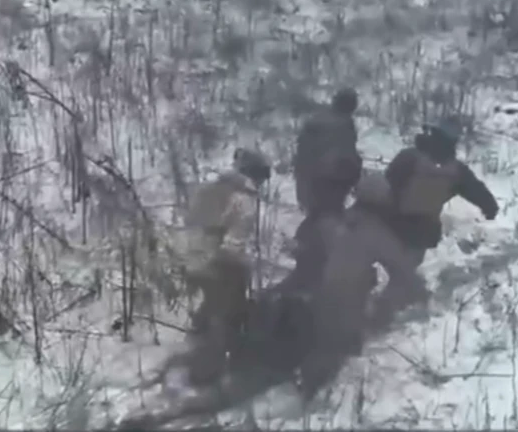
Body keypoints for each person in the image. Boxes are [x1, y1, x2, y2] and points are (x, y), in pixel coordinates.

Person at [300, 122, 499, 397]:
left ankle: (353, 320)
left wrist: (357, 213)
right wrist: (490, 207)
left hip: (388, 226)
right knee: (402, 280)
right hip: (418, 235)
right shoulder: (457, 171)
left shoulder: (409, 158)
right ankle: (379, 315)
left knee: (356, 277)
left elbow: (385, 188)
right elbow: (478, 192)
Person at [181, 148, 268, 386]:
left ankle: (194, 348)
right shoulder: (244, 199)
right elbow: (234, 245)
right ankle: (205, 374)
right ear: (257, 175)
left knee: (210, 308)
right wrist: (244, 270)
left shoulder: (212, 187)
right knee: (225, 314)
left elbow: (190, 220)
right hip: (218, 262)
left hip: (191, 255)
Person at [285, 88, 363, 291]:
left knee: (317, 218)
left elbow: (302, 157)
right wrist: (355, 176)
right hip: (331, 185)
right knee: (327, 222)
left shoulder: (315, 121)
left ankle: (305, 258)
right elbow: (347, 158)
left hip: (308, 182)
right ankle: (315, 269)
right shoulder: (344, 125)